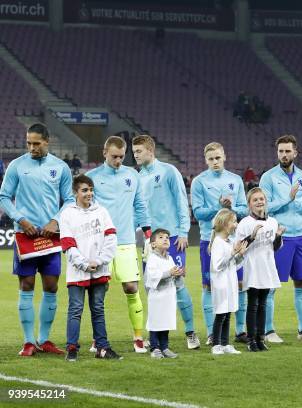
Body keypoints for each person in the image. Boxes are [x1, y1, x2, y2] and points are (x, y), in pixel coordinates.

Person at [0, 123, 74, 356]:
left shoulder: (60, 167)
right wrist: (20, 219)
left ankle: (44, 339)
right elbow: (3, 196)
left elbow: (70, 199)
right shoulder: (17, 166)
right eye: (28, 143)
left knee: (51, 286)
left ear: (47, 141)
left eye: (36, 143)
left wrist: (56, 220)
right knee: (27, 284)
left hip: (51, 236)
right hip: (25, 235)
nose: (31, 147)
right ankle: (29, 341)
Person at [132, 135, 200, 349]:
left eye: (139, 151)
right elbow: (138, 210)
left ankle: (190, 332)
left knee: (178, 283)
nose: (135, 155)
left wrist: (182, 231)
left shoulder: (169, 171)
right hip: (149, 242)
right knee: (151, 286)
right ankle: (155, 336)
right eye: (133, 152)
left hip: (172, 238)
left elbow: (181, 199)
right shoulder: (137, 177)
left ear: (150, 150)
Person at [86, 136, 152, 353]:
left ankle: (138, 337)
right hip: (99, 243)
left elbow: (140, 205)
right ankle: (98, 339)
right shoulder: (92, 178)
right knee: (99, 291)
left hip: (125, 241)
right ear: (104, 152)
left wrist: (148, 233)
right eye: (114, 156)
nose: (118, 160)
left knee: (131, 287)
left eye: (122, 157)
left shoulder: (132, 175)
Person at [259, 135, 302, 343]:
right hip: (279, 236)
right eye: (280, 151)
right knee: (271, 285)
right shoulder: (268, 177)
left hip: (300, 235)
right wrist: (289, 198)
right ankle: (268, 331)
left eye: (287, 151)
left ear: (295, 153)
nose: (284, 155)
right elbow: (265, 208)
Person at [191, 142, 248, 345]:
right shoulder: (199, 182)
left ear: (225, 157)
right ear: (205, 160)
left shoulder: (235, 180)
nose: (215, 162)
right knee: (208, 286)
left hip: (233, 240)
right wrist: (218, 206)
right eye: (211, 159)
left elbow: (244, 210)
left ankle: (240, 331)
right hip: (210, 240)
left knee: (240, 284)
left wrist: (232, 207)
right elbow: (197, 212)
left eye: (218, 158)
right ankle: (211, 333)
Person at [60, 175, 121, 361]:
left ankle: (102, 348)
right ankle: (72, 348)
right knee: (75, 309)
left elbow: (111, 238)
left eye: (91, 189)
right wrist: (86, 264)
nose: (89, 193)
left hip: (99, 270)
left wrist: (100, 261)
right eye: (84, 190)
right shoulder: (67, 214)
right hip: (78, 271)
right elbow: (68, 245)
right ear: (75, 192)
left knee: (98, 309)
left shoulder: (101, 211)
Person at [235, 188, 285, 352]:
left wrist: (278, 236)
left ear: (266, 201)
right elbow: (238, 247)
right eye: (255, 200)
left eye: (261, 199)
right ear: (249, 204)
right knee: (253, 304)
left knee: (263, 304)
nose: (259, 202)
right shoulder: (245, 223)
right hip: (253, 267)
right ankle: (251, 340)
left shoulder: (272, 222)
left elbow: (276, 247)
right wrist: (252, 236)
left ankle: (260, 339)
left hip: (267, 267)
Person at [209, 209, 246, 355]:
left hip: (230, 282)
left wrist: (240, 255)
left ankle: (225, 344)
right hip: (221, 284)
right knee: (220, 314)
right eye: (234, 221)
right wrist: (233, 253)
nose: (236, 225)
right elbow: (218, 265)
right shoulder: (218, 243)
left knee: (228, 312)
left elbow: (233, 265)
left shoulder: (229, 242)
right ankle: (216, 344)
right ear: (225, 224)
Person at [145, 228, 184, 358]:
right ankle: (155, 347)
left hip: (168, 297)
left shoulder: (170, 258)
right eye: (161, 237)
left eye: (167, 237)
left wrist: (178, 274)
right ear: (153, 244)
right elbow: (152, 277)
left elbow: (174, 277)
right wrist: (169, 273)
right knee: (156, 322)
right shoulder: (152, 259)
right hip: (157, 297)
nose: (166, 239)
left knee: (166, 321)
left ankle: (165, 347)